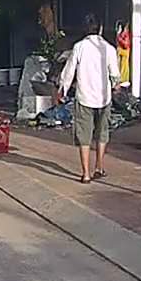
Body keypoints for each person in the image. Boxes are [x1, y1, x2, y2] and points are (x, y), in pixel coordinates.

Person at [59, 13, 121, 183]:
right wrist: (116, 85)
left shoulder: (79, 47)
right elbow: (115, 74)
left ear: (84, 29)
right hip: (104, 97)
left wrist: (62, 90)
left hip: (84, 97)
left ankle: (86, 173)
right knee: (102, 132)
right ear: (100, 29)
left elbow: (69, 71)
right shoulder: (108, 48)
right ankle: (99, 167)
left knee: (84, 135)